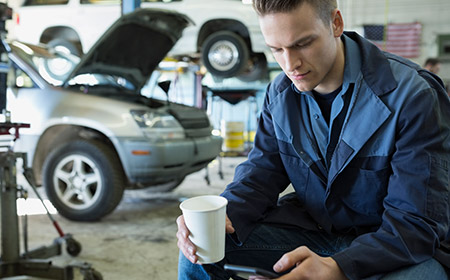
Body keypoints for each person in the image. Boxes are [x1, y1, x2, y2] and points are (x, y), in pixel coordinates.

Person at [177, 0, 450, 279]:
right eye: (276, 50)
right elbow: (260, 175)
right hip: (314, 232)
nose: (290, 64)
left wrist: (338, 267)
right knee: (199, 252)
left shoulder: (413, 95)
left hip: (386, 246)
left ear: (336, 24)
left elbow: (415, 222)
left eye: (302, 44)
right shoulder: (280, 94)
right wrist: (221, 215)